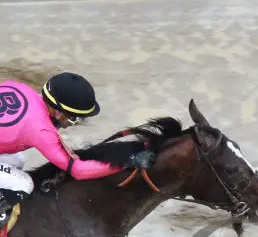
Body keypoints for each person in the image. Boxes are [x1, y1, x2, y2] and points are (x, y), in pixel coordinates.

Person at [0, 72, 155, 218]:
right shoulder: (42, 130)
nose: (72, 124)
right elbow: (78, 170)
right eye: (74, 118)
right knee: (23, 184)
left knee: (17, 159)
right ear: (59, 113)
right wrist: (127, 163)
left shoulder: (19, 87)